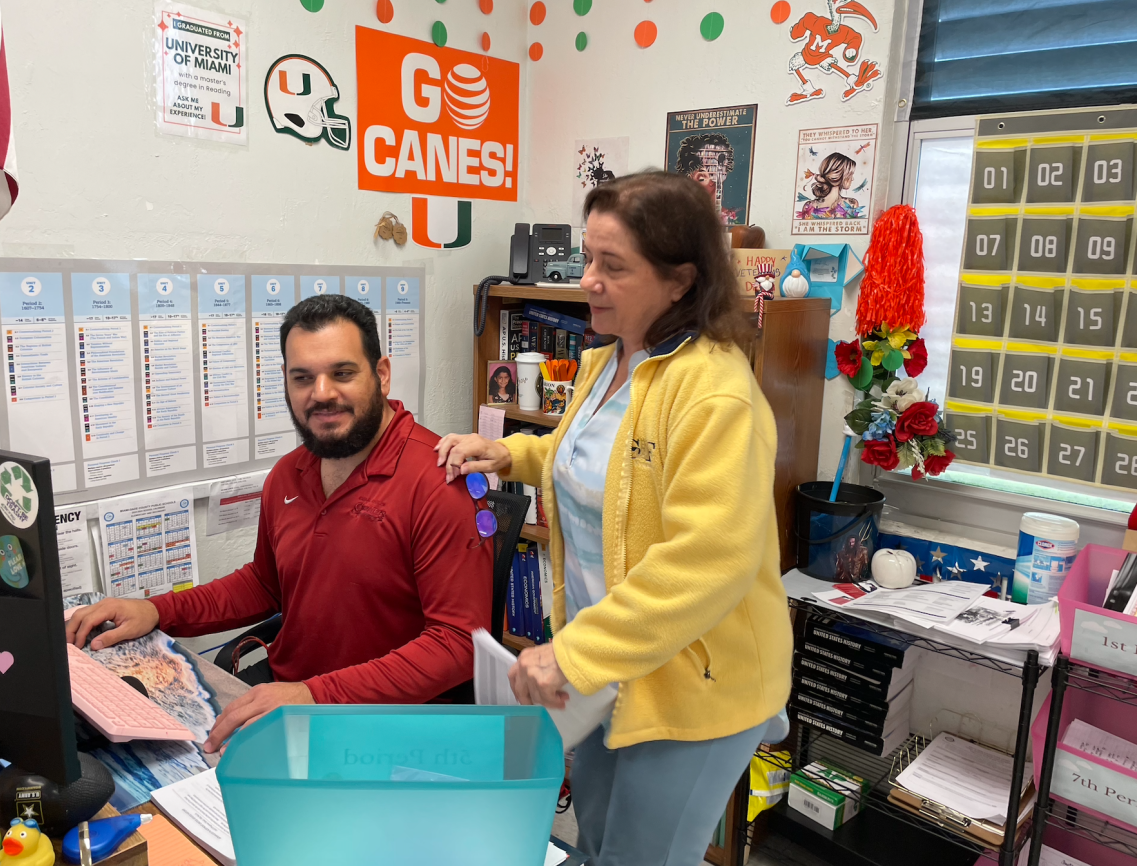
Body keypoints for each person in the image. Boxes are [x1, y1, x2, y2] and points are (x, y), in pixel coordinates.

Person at [436, 171, 793, 866]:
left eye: (614, 266)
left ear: (680, 281)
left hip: (691, 685)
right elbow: (605, 466)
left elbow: (705, 563)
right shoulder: (611, 361)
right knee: (596, 843)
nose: (589, 281)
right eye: (589, 259)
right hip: (606, 668)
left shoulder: (717, 393)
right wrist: (510, 453)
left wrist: (572, 654)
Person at [67, 295, 492, 752]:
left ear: (382, 374)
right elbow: (264, 585)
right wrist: (157, 611)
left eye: (343, 373)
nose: (322, 392)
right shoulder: (291, 472)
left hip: (385, 728)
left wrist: (315, 696)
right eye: (303, 377)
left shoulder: (440, 482)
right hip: (286, 699)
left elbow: (457, 644)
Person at [798, 152, 861, 220]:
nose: (852, 179)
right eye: (850, 175)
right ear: (837, 176)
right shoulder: (851, 204)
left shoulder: (809, 205)